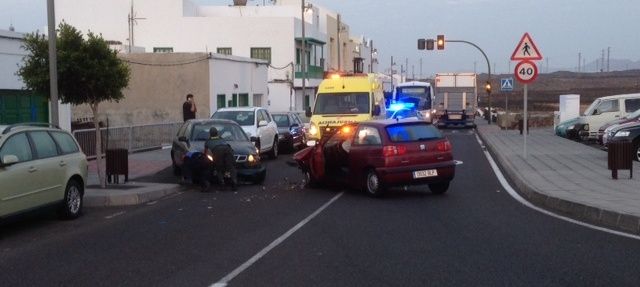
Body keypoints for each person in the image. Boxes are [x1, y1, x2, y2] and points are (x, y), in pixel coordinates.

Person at [202, 127, 237, 192]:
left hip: (217, 151)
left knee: (219, 168)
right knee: (231, 167)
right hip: (227, 149)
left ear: (210, 134)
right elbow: (227, 145)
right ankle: (234, 182)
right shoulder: (221, 139)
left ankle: (222, 184)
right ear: (217, 133)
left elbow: (205, 153)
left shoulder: (208, 141)